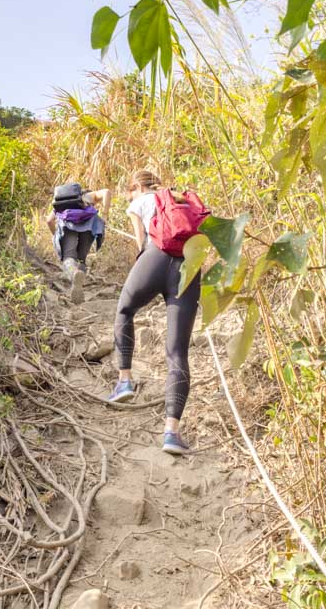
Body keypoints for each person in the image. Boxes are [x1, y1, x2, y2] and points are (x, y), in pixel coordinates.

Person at [107, 170, 201, 455]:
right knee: (177, 353)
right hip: (188, 267)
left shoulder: (138, 202)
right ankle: (171, 432)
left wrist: (145, 273)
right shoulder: (179, 197)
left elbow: (141, 244)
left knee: (124, 309)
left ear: (135, 187)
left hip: (155, 257)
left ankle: (124, 381)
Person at [46, 184, 110, 304]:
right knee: (81, 259)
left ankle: (74, 273)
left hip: (67, 226)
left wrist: (56, 235)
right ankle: (79, 279)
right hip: (89, 226)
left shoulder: (62, 203)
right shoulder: (89, 196)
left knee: (69, 257)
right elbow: (106, 191)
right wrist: (105, 215)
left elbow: (49, 220)